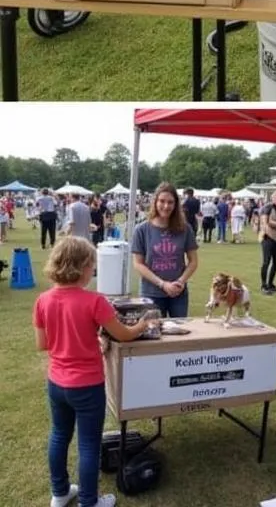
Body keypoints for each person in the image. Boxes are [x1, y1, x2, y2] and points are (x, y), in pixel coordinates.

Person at [34, 237, 149, 507]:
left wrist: (85, 339)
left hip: (56, 382)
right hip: (86, 385)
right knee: (88, 444)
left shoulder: (43, 300)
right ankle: (89, 501)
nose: (93, 271)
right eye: (92, 266)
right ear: (82, 266)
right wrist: (142, 325)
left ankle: (60, 493)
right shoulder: (94, 301)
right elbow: (123, 334)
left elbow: (44, 344)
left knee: (59, 435)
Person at [131, 182, 198, 318]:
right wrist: (162, 284)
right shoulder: (142, 230)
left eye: (170, 202)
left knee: (180, 333)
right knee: (153, 335)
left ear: (176, 204)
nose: (166, 206)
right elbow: (138, 264)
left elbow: (193, 261)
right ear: (155, 201)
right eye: (162, 201)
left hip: (178, 293)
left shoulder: (185, 229)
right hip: (151, 293)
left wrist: (180, 282)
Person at [259, 190, 276, 295]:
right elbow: (267, 222)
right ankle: (264, 285)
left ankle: (270, 283)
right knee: (266, 262)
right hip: (268, 238)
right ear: (274, 198)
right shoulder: (268, 208)